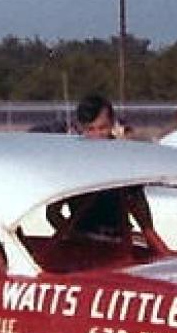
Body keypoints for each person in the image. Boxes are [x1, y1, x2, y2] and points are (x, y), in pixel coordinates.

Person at [47, 94, 170, 253]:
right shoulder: (71, 163)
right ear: (79, 128)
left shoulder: (125, 159)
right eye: (90, 129)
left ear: (112, 124)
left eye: (102, 128)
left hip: (119, 243)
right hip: (84, 244)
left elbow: (142, 215)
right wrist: (77, 237)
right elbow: (52, 213)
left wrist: (159, 249)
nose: (97, 136)